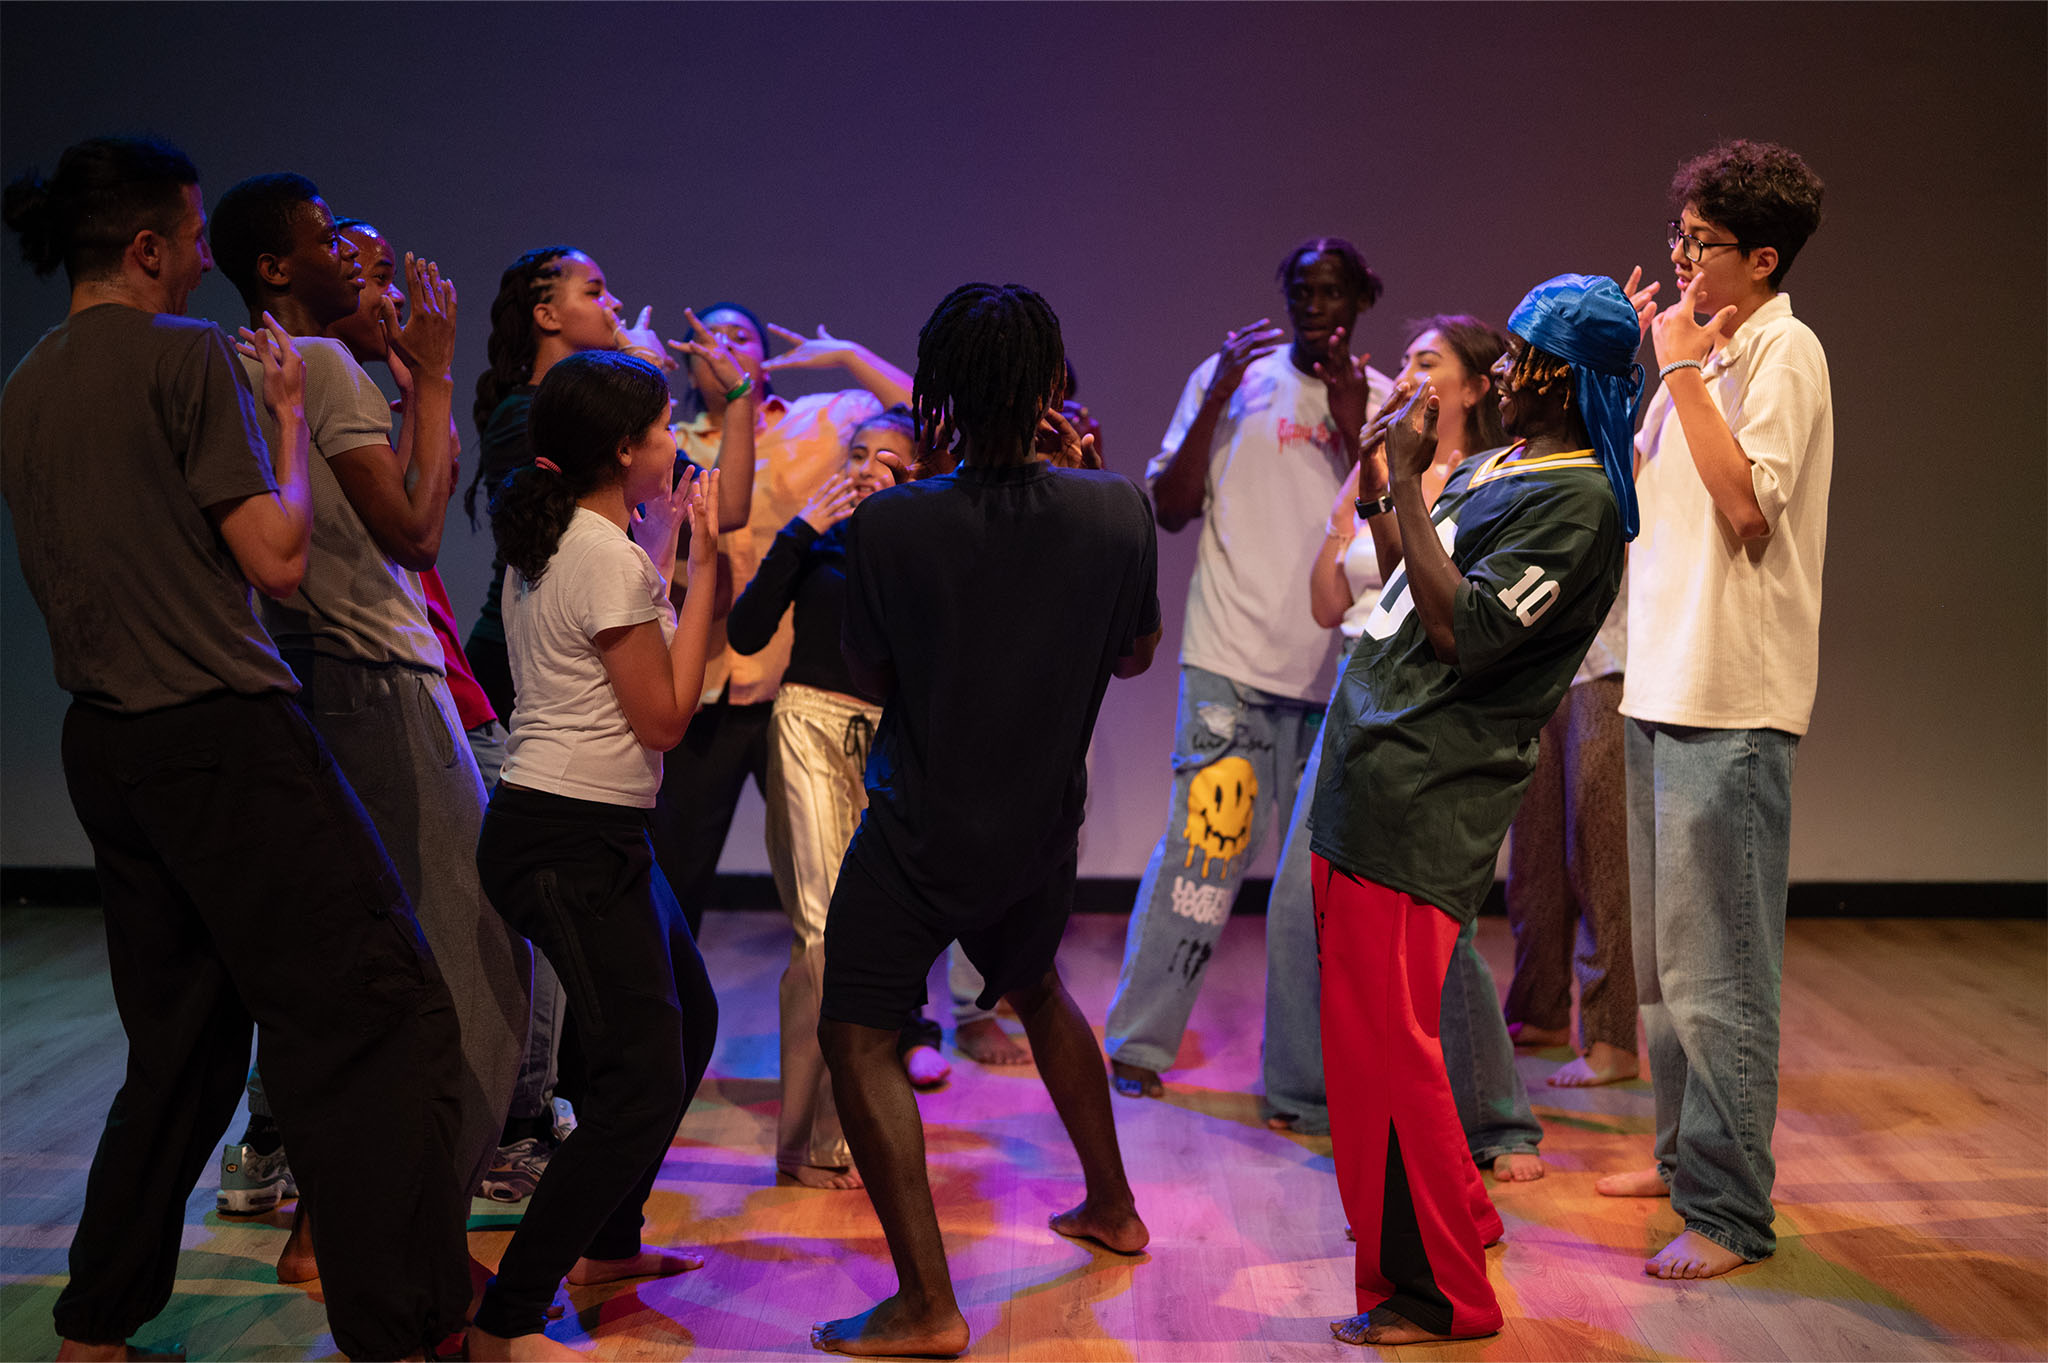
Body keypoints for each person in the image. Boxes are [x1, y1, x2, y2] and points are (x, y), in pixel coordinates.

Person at [2, 135, 471, 1363]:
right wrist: (286, 424)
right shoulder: (191, 355)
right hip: (223, 733)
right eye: (192, 235)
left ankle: (93, 1331)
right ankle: (409, 1330)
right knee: (382, 1013)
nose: (202, 256)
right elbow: (275, 556)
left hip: (107, 747)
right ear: (147, 248)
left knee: (184, 1052)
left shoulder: (26, 382)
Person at [811, 283, 1161, 1358]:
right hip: (1038, 826)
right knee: (1036, 986)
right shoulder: (1115, 508)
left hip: (922, 828)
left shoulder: (892, 520)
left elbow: (869, 674)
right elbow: (1133, 655)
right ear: (1049, 385)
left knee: (856, 1032)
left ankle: (927, 1304)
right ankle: (1113, 1206)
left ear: (941, 393)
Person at [207, 173, 530, 1284]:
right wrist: (434, 375)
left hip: (319, 676)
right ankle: (419, 1242)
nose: (356, 261)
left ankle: (332, 1230)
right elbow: (418, 532)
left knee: (366, 972)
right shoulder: (330, 367)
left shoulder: (256, 362)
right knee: (482, 964)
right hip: (378, 681)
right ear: (276, 268)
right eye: (330, 243)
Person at [1311, 274, 1640, 1345]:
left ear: (1569, 380)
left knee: (1388, 1054)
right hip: (1373, 769)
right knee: (1371, 1043)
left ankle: (1437, 1292)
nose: (1503, 374)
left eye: (1524, 359)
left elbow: (1468, 634)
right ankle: (1462, 1217)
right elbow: (1411, 589)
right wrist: (1385, 490)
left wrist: (1412, 483)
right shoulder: (1508, 463)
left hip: (1425, 785)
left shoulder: (1579, 503)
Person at [1595, 140, 1832, 1282]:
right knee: (1660, 969)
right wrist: (1635, 371)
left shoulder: (1784, 350)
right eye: (1678, 235)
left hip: (1730, 699)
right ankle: (1680, 1158)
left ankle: (1731, 1210)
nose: (1681, 256)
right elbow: (1635, 502)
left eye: (1701, 241)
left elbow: (1747, 508)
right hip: (1661, 681)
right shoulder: (1695, 358)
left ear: (1763, 257)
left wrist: (1685, 371)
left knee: (1719, 972)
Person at [469, 351, 726, 1361]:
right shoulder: (600, 554)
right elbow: (664, 719)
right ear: (623, 448)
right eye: (664, 427)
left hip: (589, 828)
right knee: (639, 1084)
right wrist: (707, 570)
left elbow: (625, 631)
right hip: (565, 837)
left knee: (690, 1016)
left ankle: (609, 1245)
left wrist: (668, 544)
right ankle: (506, 1321)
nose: (676, 441)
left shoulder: (575, 539)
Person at [1104, 237, 1392, 1098]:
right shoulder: (1235, 380)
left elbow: (1392, 527)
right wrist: (1216, 396)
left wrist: (1354, 420)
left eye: (1331, 291)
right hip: (1229, 660)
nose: (1314, 306)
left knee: (1313, 890)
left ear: (1360, 301)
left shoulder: (1381, 399)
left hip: (1337, 678)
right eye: (1300, 291)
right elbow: (1169, 506)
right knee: (1201, 857)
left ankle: (1300, 1082)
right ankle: (1138, 1043)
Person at [1264, 315, 1546, 1182]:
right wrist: (1364, 486)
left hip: (1424, 700)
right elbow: (1330, 599)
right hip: (1358, 687)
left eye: (1429, 360)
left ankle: (1497, 1120)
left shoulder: (1487, 478)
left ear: (1475, 385)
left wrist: (1404, 491)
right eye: (1407, 358)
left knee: (1435, 922)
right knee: (1299, 900)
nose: (1407, 372)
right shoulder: (1382, 467)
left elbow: (1438, 604)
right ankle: (1309, 1093)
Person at [725, 404, 949, 1190]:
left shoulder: (921, 547)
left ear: (914, 474)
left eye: (887, 459)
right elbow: (746, 633)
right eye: (857, 452)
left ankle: (844, 1124)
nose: (864, 468)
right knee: (821, 933)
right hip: (807, 726)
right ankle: (808, 1142)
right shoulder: (815, 541)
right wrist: (798, 532)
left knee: (866, 941)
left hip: (886, 746)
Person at [653, 306, 912, 938]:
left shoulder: (823, 421)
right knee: (676, 879)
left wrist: (847, 355)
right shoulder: (670, 444)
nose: (724, 345)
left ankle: (869, 998)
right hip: (705, 691)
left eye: (740, 336)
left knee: (843, 878)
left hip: (800, 689)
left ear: (764, 361)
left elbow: (920, 420)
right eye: (709, 337)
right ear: (687, 360)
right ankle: (677, 1002)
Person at [1501, 581, 1637, 1089]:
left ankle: (1612, 1039)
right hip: (1537, 662)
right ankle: (1540, 1010)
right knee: (1533, 857)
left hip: (1606, 659)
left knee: (1599, 856)